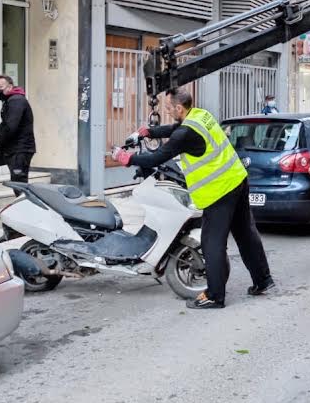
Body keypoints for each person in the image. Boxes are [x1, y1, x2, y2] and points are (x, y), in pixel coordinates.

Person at [113, 90, 274, 310]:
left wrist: (127, 158)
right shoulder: (200, 115)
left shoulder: (185, 133)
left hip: (219, 191)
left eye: (169, 108)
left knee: (212, 243)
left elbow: (157, 157)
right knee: (246, 234)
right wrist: (148, 132)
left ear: (180, 108)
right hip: (237, 180)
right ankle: (263, 280)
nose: (167, 112)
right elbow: (174, 129)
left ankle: (215, 296)